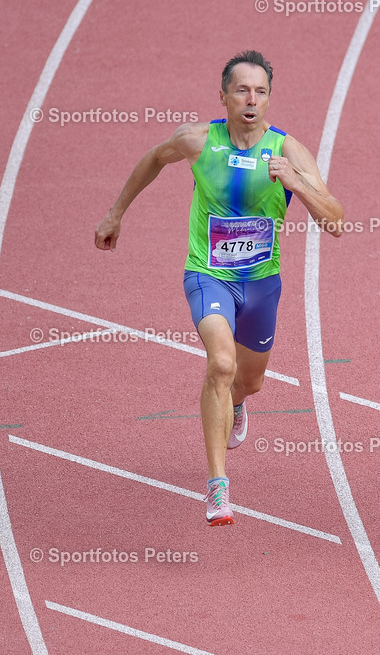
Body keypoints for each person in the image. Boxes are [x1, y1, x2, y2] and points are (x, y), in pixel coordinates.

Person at [95, 50, 344, 526]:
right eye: (242, 90)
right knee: (222, 363)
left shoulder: (288, 150)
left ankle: (238, 403)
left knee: (249, 381)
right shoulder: (197, 140)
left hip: (262, 285)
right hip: (207, 275)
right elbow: (153, 159)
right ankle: (218, 487)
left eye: (260, 92)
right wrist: (116, 213)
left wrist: (297, 183)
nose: (251, 100)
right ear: (224, 96)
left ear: (269, 99)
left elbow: (336, 222)